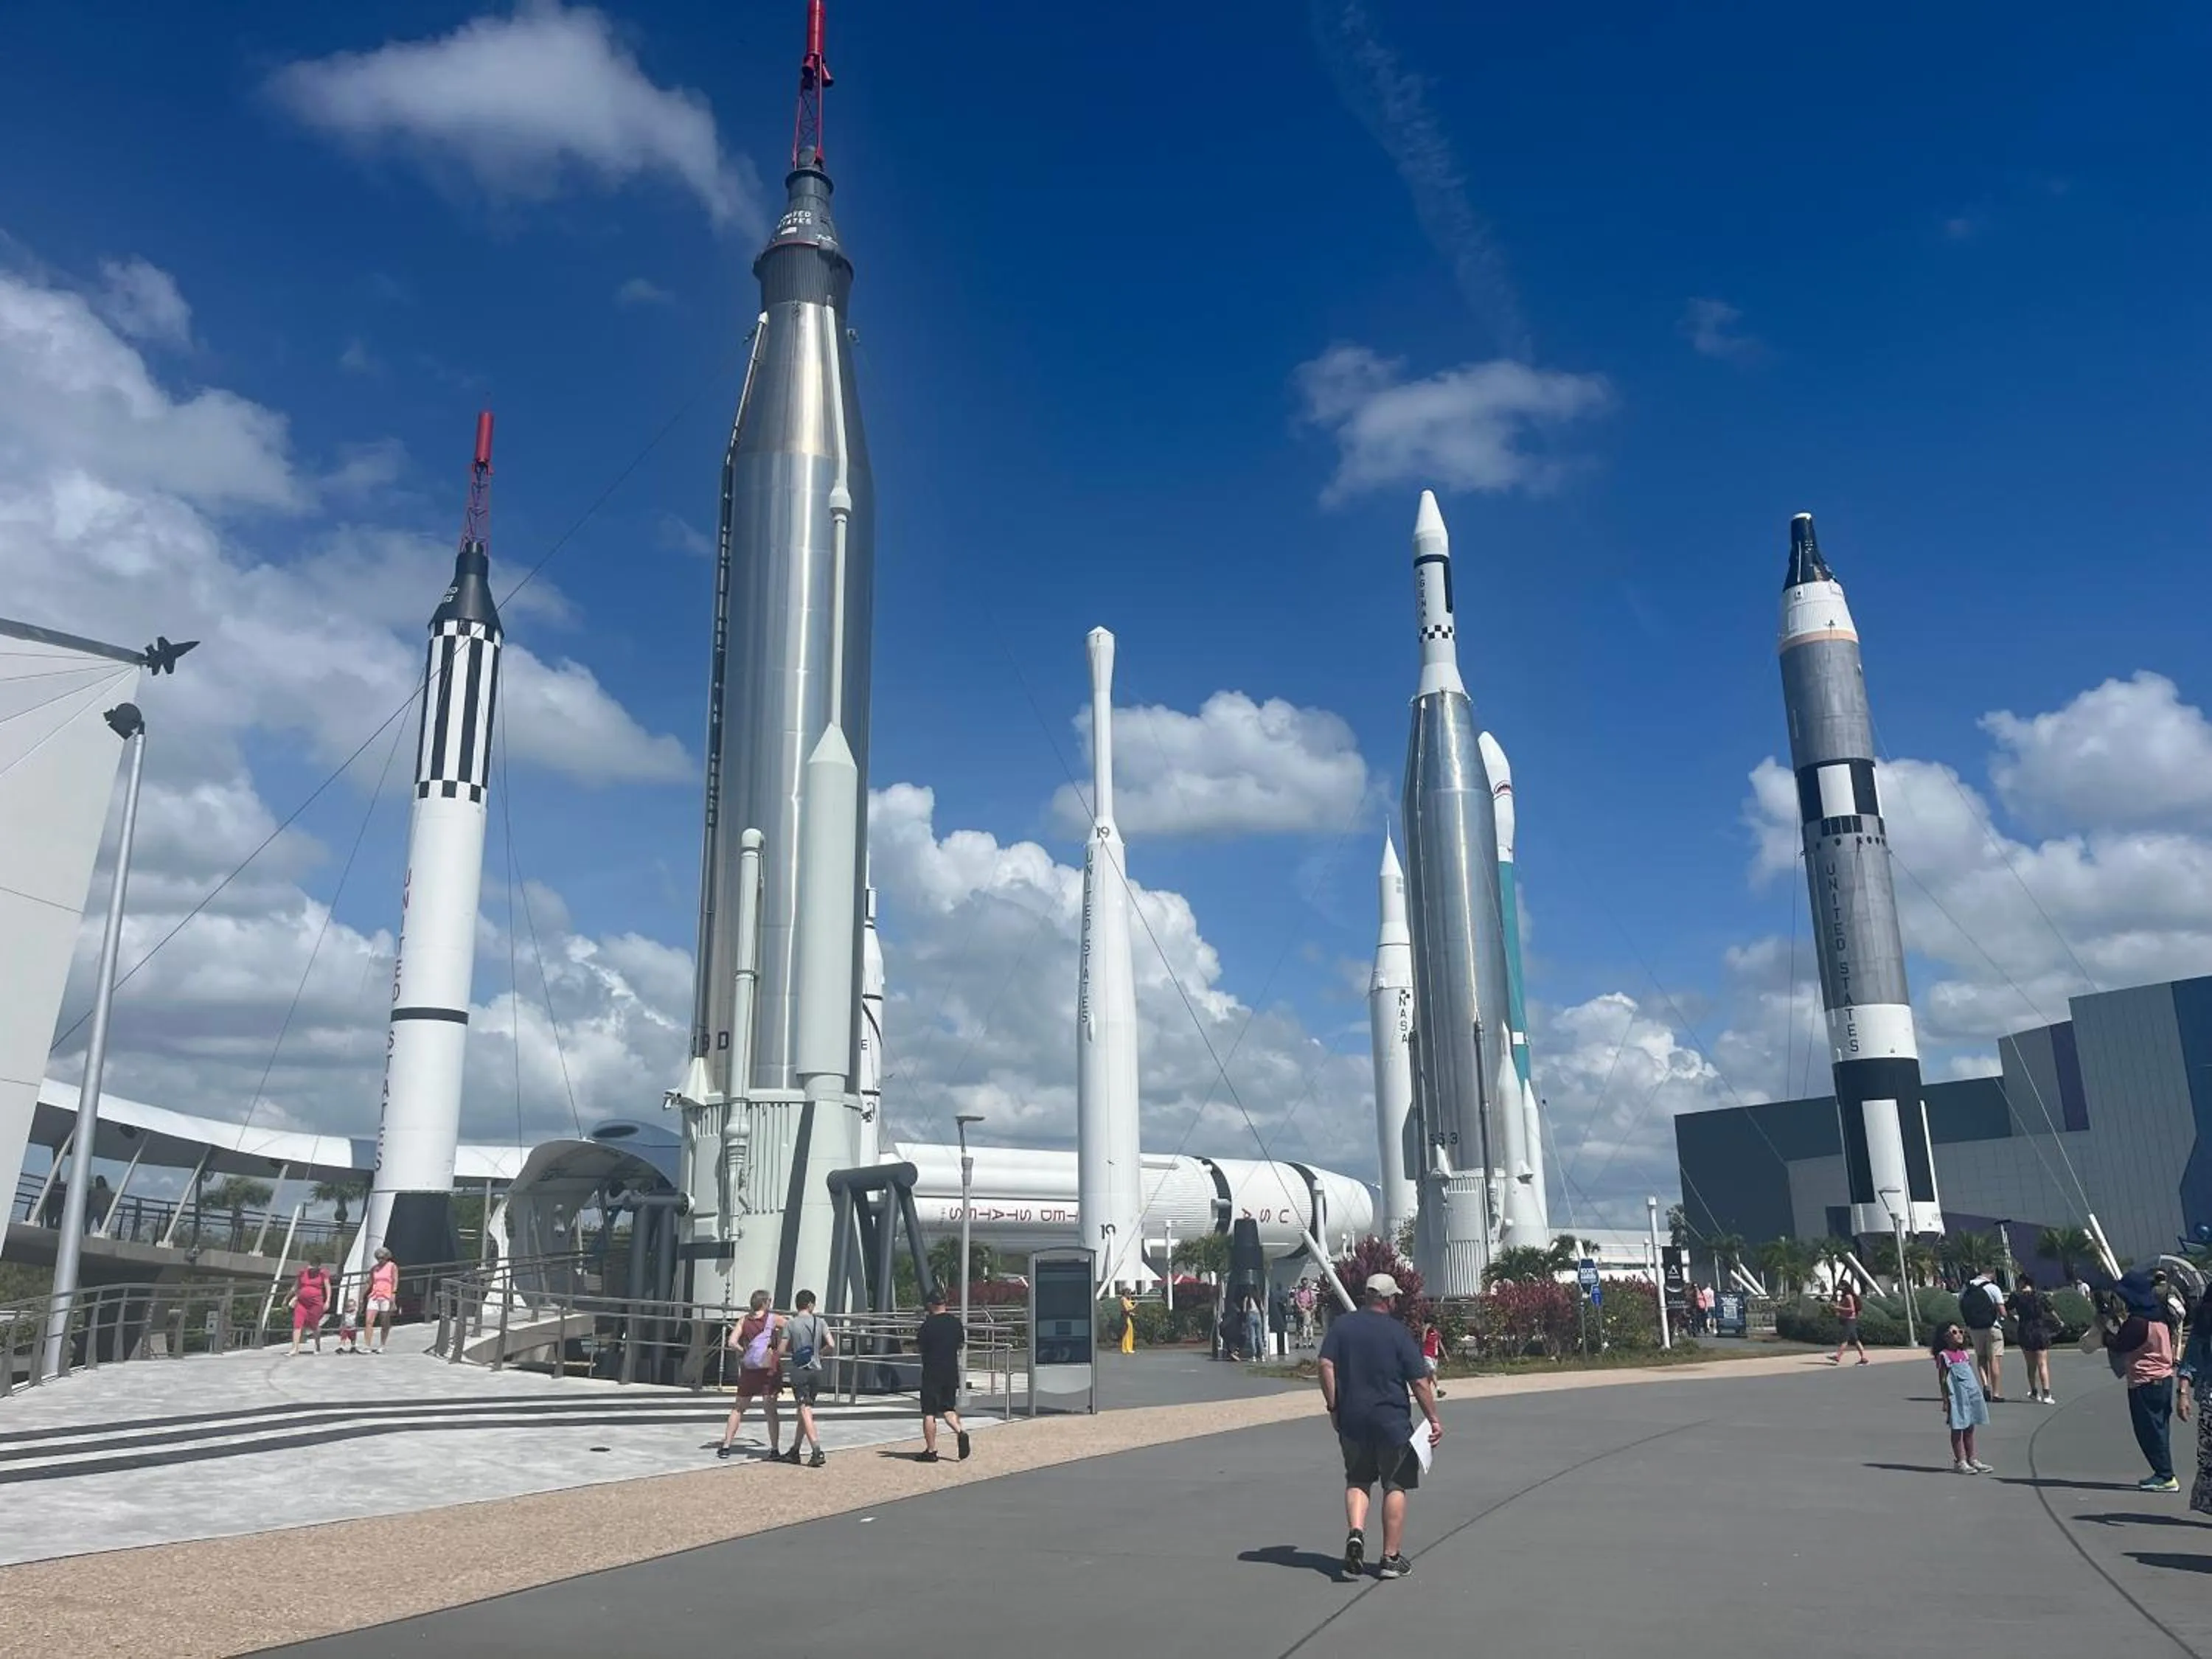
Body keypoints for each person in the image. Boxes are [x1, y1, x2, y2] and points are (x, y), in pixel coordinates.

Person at [1319, 1273, 1441, 1583]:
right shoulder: (1398, 1333)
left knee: (1358, 1480)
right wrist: (1434, 1418)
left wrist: (1334, 1406)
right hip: (1392, 1422)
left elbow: (1325, 1364)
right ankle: (1390, 1557)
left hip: (1353, 1420)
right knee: (1395, 1484)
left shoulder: (1343, 1326)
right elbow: (1419, 1382)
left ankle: (1356, 1533)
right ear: (1388, 1300)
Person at [2104, 1282, 2178, 1492]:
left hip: (2146, 1380)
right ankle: (2163, 1472)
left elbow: (2120, 1343)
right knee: (2160, 1428)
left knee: (2149, 1430)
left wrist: (2105, 1334)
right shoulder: (2159, 1315)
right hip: (2163, 1378)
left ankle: (2165, 1475)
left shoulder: (2138, 1322)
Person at [717, 1290, 784, 1461]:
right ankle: (775, 1449)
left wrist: (745, 1351)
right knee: (770, 1411)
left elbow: (732, 1342)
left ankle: (726, 1446)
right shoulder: (773, 1319)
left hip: (749, 1370)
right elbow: (792, 1328)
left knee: (739, 1407)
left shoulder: (743, 1320)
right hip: (769, 1369)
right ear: (765, 1303)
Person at [777, 1289, 834, 1468]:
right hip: (816, 1370)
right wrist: (819, 1353)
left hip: (799, 1370)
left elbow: (781, 1349)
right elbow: (831, 1344)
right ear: (810, 1305)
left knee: (804, 1409)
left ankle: (817, 1450)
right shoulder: (821, 1322)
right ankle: (795, 1450)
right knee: (805, 1410)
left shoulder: (791, 1324)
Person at [916, 1286, 969, 1463]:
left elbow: (920, 1348)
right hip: (951, 1371)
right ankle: (960, 1431)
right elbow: (961, 1344)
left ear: (931, 1305)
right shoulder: (955, 1323)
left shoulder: (927, 1325)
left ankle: (931, 1451)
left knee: (929, 1412)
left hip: (932, 1372)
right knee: (948, 1409)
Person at [1933, 1323, 1992, 1474]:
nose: (1959, 1334)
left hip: (1971, 1394)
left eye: (1960, 1331)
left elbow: (1970, 1374)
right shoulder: (1944, 1356)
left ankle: (1972, 1458)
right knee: (1958, 1428)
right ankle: (1960, 1461)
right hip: (1956, 1396)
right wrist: (1946, 1400)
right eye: (1954, 1332)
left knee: (1970, 1427)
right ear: (1945, 1337)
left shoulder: (1965, 1354)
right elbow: (1943, 1380)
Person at [2174, 1282, 2212, 1517]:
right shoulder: (2205, 1324)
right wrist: (2183, 1393)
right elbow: (2191, 1359)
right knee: (2208, 1459)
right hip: (2211, 1400)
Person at [2008, 1273, 2056, 1404]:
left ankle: (2034, 1391)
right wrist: (2059, 1321)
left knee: (2030, 1364)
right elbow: (2051, 1309)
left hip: (2025, 1329)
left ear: (2023, 1282)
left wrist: (2013, 1318)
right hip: (2040, 1329)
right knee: (2043, 1363)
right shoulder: (2040, 1296)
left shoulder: (2016, 1296)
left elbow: (2007, 1309)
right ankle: (2047, 1393)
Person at [1959, 1271, 2006, 1401]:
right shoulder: (1993, 1288)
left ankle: (1985, 1385)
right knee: (1994, 1360)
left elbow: (1960, 1304)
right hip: (1992, 1327)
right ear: (1992, 1274)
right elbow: (2002, 1312)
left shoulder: (1967, 1287)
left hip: (1974, 1328)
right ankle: (1996, 1393)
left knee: (1981, 1358)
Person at [288, 1253, 333, 1357]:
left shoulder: (323, 1273)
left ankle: (317, 1344)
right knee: (297, 1323)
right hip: (301, 1302)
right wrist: (287, 1298)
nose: (312, 1267)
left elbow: (328, 1287)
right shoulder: (302, 1272)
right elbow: (295, 1287)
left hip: (316, 1303)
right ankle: (295, 1348)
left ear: (319, 1265)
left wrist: (328, 1301)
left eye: (315, 1265)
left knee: (314, 1325)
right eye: (311, 1264)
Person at [361, 1247, 400, 1353]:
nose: (380, 1260)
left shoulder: (392, 1266)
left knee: (384, 1322)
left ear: (387, 1257)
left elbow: (395, 1280)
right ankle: (367, 1346)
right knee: (369, 1321)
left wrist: (394, 1293)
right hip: (374, 1295)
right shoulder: (374, 1268)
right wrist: (363, 1295)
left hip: (386, 1295)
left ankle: (382, 1345)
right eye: (378, 1258)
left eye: (382, 1257)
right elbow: (370, 1282)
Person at [1831, 1281, 1869, 1367]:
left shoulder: (1848, 1296)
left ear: (1845, 1287)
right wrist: (1837, 1309)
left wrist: (1838, 1308)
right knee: (1856, 1340)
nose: (1839, 1288)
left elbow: (1852, 1309)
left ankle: (1838, 1356)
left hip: (1850, 1320)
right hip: (1848, 1320)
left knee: (1845, 1339)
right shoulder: (1844, 1297)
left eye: (1841, 1286)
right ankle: (1864, 1358)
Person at [1420, 1321, 1447, 1399]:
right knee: (1432, 1370)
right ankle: (1438, 1389)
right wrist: (1425, 1329)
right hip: (1427, 1355)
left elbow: (1440, 1344)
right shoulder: (1425, 1332)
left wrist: (1445, 1354)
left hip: (1435, 1355)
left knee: (1430, 1375)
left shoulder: (1436, 1333)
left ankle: (1425, 1390)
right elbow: (1423, 1341)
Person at [1242, 1288, 1265, 1365]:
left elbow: (1244, 1310)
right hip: (1258, 1316)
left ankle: (1254, 1356)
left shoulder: (1247, 1299)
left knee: (1252, 1336)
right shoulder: (1258, 1298)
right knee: (1260, 1337)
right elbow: (1262, 1308)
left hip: (1251, 1315)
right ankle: (1262, 1355)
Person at [1295, 1280, 1318, 1349]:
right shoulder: (1298, 1292)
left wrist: (1310, 1307)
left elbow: (1313, 1301)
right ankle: (1297, 1342)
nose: (1305, 1285)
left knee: (1309, 1327)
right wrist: (1301, 1308)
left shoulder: (1310, 1292)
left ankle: (1309, 1343)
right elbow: (1296, 1301)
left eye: (1306, 1284)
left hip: (1308, 1311)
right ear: (1302, 1284)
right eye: (1304, 1284)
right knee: (1298, 1328)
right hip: (1300, 1311)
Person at [1119, 1291, 1137, 1356]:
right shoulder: (1123, 1300)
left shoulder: (1125, 1299)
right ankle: (1127, 1348)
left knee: (1128, 1331)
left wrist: (1131, 1313)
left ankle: (1127, 1348)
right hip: (1125, 1318)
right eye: (1128, 1293)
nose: (1129, 1295)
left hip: (1127, 1317)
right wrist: (1135, 1306)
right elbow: (1126, 1309)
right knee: (1127, 1331)